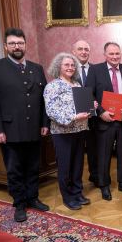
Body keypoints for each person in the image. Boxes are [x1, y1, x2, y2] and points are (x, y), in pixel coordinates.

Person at [0, 28, 50, 222]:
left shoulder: (37, 68)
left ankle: (33, 198)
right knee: (14, 169)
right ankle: (19, 203)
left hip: (34, 128)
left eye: (20, 43)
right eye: (13, 43)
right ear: (6, 46)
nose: (17, 46)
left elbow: (43, 100)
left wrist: (44, 123)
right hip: (9, 130)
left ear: (25, 45)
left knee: (33, 166)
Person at [85, 42, 122, 201]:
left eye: (117, 54)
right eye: (111, 54)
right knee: (104, 154)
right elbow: (89, 94)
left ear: (121, 54)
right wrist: (100, 113)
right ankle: (104, 185)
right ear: (105, 54)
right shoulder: (95, 70)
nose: (115, 57)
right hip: (103, 121)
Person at [44, 53, 93, 210]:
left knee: (78, 164)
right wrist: (73, 117)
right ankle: (68, 197)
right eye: (67, 65)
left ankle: (78, 192)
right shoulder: (52, 86)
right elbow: (51, 111)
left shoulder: (77, 85)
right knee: (65, 166)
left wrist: (92, 107)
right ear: (59, 66)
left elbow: (83, 106)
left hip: (80, 130)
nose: (70, 67)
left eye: (73, 65)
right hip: (62, 132)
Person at [72, 40, 98, 187]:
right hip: (74, 120)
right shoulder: (67, 69)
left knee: (94, 150)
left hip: (93, 119)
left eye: (86, 49)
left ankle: (95, 177)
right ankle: (76, 183)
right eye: (80, 49)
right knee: (77, 153)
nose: (83, 52)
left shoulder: (97, 69)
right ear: (74, 51)